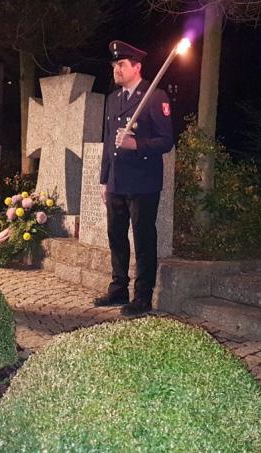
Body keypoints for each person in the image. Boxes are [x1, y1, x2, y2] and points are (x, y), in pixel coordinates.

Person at [94, 40, 174, 316]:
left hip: (143, 182)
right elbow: (108, 142)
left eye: (121, 64)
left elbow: (166, 141)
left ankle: (143, 296)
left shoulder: (154, 96)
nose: (116, 69)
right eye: (114, 65)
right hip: (117, 181)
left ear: (136, 67)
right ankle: (118, 289)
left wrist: (136, 144)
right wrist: (104, 179)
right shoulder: (113, 99)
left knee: (143, 239)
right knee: (116, 237)